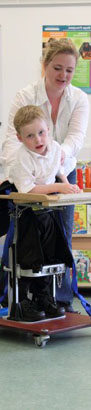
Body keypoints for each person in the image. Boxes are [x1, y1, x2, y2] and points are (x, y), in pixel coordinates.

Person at [2, 38, 89, 313]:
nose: (63, 75)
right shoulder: (25, 96)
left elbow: (75, 140)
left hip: (61, 171)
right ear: (45, 66)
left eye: (69, 70)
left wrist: (52, 159)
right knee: (26, 239)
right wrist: (19, 174)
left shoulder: (80, 99)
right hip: (26, 175)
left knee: (61, 235)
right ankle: (21, 299)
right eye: (57, 68)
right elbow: (12, 141)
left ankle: (59, 300)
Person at [9, 104, 80, 322]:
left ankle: (44, 297)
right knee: (31, 256)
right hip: (26, 211)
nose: (38, 140)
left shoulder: (54, 148)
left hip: (48, 210)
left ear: (48, 130)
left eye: (41, 133)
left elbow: (57, 169)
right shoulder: (20, 158)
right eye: (30, 136)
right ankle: (25, 301)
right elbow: (27, 189)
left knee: (52, 254)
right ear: (20, 138)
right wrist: (58, 187)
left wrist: (67, 184)